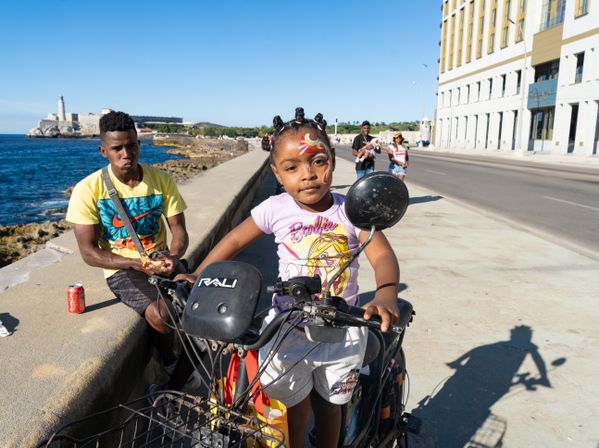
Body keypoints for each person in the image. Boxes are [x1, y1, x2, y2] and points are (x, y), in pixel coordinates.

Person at [177, 108, 400, 448]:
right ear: (276, 174)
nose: (307, 175)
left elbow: (382, 254)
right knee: (294, 403)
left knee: (330, 406)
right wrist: (202, 273)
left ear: (333, 163)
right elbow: (235, 240)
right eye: (292, 167)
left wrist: (385, 293)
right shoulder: (274, 208)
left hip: (341, 330)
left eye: (318, 162)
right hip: (286, 329)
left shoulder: (350, 211)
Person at [66, 111, 191, 390]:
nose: (126, 154)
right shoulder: (89, 189)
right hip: (122, 269)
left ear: (138, 144)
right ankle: (168, 363)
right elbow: (89, 252)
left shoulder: (161, 180)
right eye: (117, 148)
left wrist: (173, 256)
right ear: (103, 151)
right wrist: (135, 264)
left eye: (131, 145)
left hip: (161, 260)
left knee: (207, 291)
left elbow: (179, 231)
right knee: (161, 314)